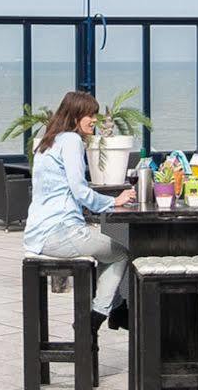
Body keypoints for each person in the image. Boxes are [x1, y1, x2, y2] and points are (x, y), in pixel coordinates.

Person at [23, 90, 136, 331]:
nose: (94, 119)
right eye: (90, 115)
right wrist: (114, 201)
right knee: (120, 254)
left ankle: (116, 309)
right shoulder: (71, 141)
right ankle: (97, 318)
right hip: (62, 232)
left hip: (39, 235)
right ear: (75, 116)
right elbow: (80, 190)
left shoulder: (46, 142)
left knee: (103, 253)